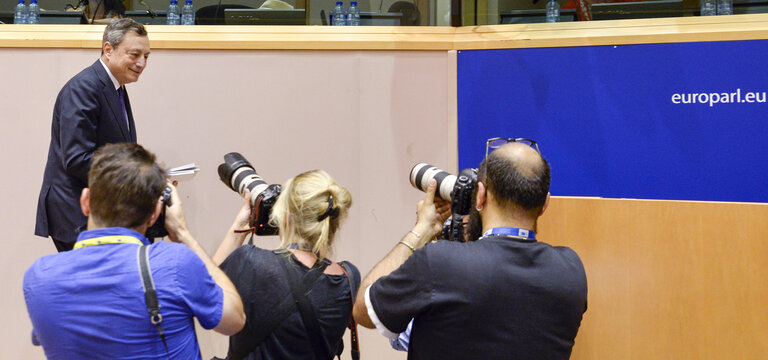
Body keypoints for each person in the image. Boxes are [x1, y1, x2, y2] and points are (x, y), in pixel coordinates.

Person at [353, 139, 588, 360]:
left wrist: (422, 230)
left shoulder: (440, 263)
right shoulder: (571, 271)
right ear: (545, 203)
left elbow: (364, 311)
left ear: (481, 195)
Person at [24, 143, 246, 359]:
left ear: (85, 201)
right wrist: (181, 234)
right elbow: (234, 319)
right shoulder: (175, 264)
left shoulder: (40, 278)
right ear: (156, 212)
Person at [213, 169, 360, 360]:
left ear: (286, 217)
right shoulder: (347, 278)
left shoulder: (253, 263)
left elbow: (204, 289)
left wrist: (241, 225)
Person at [35, 18, 150, 252]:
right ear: (108, 49)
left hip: (98, 211)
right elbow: (77, 159)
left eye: (146, 56)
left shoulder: (114, 86)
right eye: (135, 54)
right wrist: (134, 177)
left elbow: (119, 149)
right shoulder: (84, 88)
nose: (141, 63)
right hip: (74, 213)